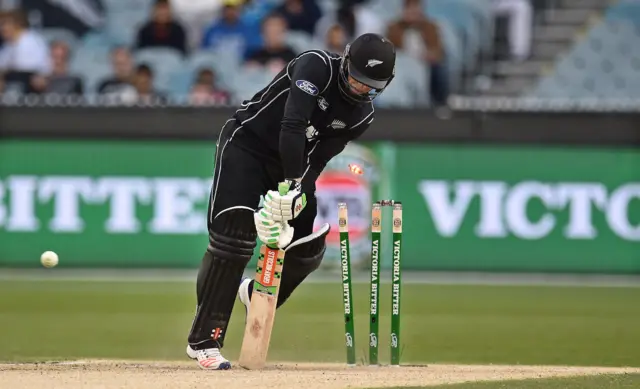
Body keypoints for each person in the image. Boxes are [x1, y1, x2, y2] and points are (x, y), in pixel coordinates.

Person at [184, 32, 396, 370]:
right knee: (234, 237)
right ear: (346, 62)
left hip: (293, 168)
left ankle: (255, 294)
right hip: (246, 146)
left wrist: (297, 191)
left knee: (308, 247)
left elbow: (321, 155)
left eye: (370, 86)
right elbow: (293, 124)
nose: (360, 89)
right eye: (357, 80)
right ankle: (204, 341)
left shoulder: (361, 116)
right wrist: (292, 184)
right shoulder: (316, 66)